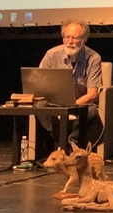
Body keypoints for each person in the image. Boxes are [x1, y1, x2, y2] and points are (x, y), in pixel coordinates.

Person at [37, 20, 102, 150]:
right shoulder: (51, 54)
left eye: (75, 38)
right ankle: (56, 142)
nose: (70, 41)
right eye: (67, 37)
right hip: (54, 103)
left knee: (92, 111)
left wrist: (70, 106)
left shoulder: (93, 58)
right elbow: (39, 83)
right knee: (39, 106)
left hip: (80, 104)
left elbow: (92, 94)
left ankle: (72, 143)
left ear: (84, 40)